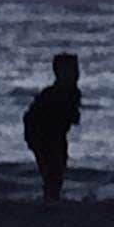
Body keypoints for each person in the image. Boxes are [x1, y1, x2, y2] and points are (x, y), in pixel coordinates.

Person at [24, 53, 82, 202]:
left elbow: (73, 118)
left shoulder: (71, 92)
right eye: (72, 71)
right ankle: (50, 198)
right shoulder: (54, 94)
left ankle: (51, 197)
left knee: (57, 170)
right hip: (41, 133)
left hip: (55, 133)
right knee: (52, 170)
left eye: (76, 70)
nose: (76, 74)